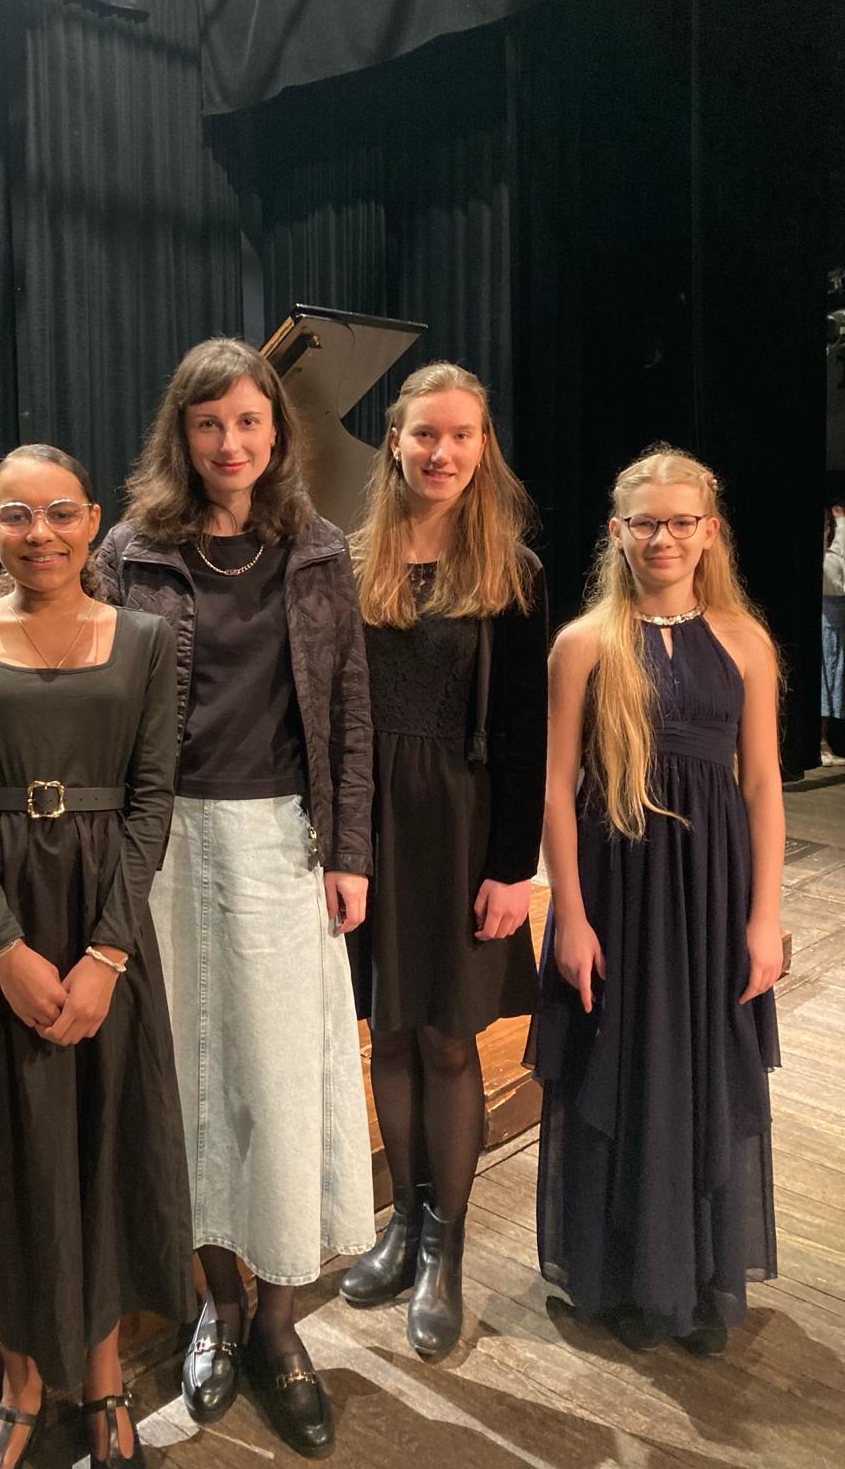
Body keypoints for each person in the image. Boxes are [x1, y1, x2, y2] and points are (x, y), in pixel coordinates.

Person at [0, 339, 375, 1460]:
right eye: (209, 424)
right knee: (170, 1092)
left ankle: (278, 1326)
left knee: (274, 1083)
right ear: (181, 434)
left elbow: (348, 704)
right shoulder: (130, 549)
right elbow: (45, 636)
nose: (230, 443)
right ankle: (214, 1306)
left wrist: (350, 847)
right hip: (144, 849)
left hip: (275, 838)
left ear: (278, 430)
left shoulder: (319, 550)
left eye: (249, 421)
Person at [0, 444, 194, 1469]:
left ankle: (106, 1378)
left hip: (103, 914)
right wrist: (6, 952)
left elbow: (154, 797)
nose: (42, 533)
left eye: (61, 512)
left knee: (106, 1143)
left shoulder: (149, 638)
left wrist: (106, 952)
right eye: (18, 515)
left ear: (93, 521)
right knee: (8, 1147)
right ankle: (22, 1383)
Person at [531, 445, 783, 1356]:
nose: (663, 538)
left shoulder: (746, 642)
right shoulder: (584, 644)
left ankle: (700, 1276)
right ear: (618, 531)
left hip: (712, 891)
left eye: (681, 522)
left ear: (710, 531)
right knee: (622, 1064)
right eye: (646, 523)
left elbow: (762, 783)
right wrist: (570, 916)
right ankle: (623, 1277)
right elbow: (557, 787)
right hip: (616, 892)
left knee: (702, 1067)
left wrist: (764, 917)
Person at [339, 362, 547, 1358]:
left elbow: (526, 731)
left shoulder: (512, 570)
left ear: (482, 445)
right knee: (388, 1032)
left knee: (451, 1040)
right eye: (426, 433)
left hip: (463, 826)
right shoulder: (352, 559)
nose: (442, 451)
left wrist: (513, 866)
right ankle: (401, 1222)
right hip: (372, 823)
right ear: (395, 440)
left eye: (462, 434)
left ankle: (443, 1248)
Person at [821, 503, 845, 764]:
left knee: (832, 674)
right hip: (825, 618)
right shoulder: (826, 557)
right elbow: (835, 575)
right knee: (824, 675)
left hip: (836, 620)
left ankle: (826, 742)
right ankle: (821, 743)